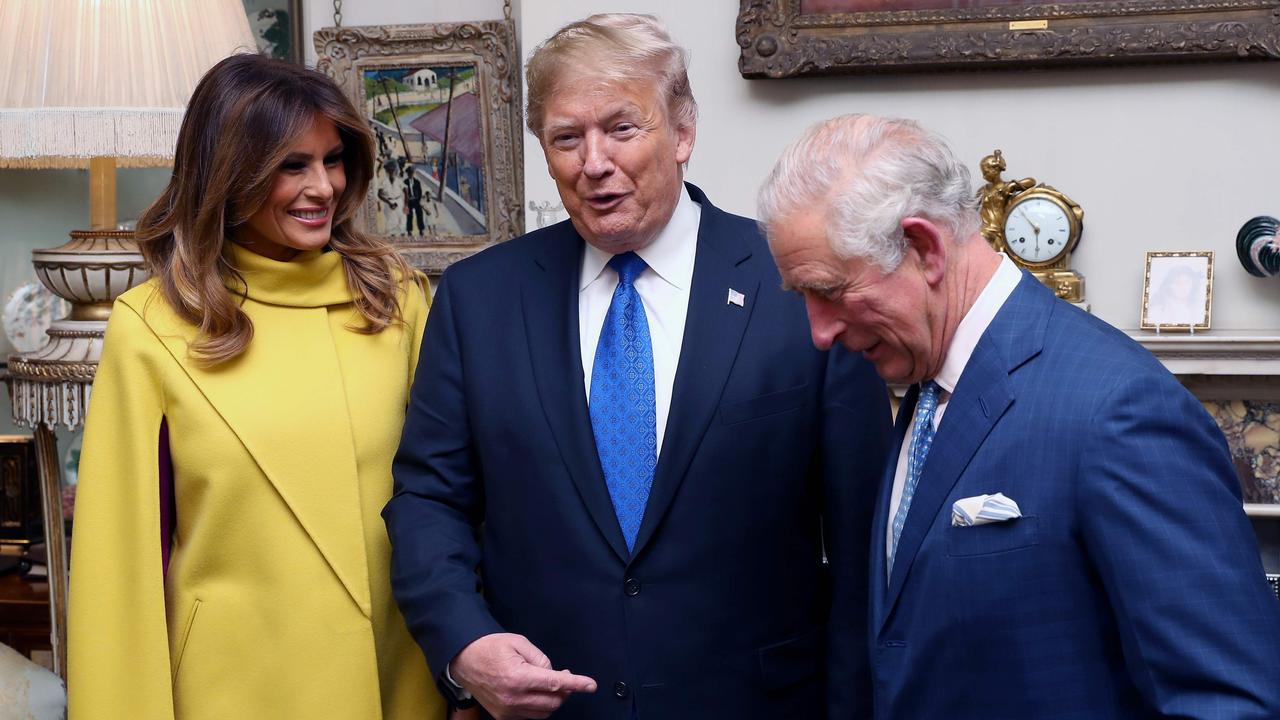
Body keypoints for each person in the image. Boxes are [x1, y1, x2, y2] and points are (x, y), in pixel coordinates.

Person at [386, 14, 892, 720]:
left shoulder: (798, 286)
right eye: (567, 138)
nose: (594, 163)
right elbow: (428, 499)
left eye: (622, 128)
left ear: (683, 132)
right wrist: (464, 645)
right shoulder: (480, 300)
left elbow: (868, 535)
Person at [758, 114, 1280, 719]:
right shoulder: (927, 390)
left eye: (828, 290)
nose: (819, 334)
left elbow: (1230, 701)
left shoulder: (1117, 409)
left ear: (924, 248)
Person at [67, 54, 447, 720]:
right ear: (228, 175)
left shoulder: (399, 302)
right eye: (292, 165)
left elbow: (453, 509)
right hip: (233, 693)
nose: (324, 187)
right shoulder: (150, 328)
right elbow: (120, 574)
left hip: (401, 685)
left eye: (333, 159)